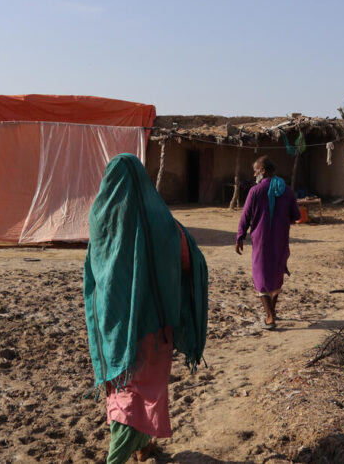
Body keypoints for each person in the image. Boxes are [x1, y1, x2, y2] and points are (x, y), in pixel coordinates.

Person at [84, 153, 208, 464]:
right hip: (151, 326)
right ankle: (118, 457)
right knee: (139, 389)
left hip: (111, 322)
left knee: (122, 384)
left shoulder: (99, 215)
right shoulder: (162, 223)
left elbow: (93, 270)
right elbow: (188, 260)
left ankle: (144, 447)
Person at [235, 155, 300, 329]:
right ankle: (272, 311)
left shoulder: (255, 191)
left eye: (255, 170)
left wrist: (240, 236)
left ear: (262, 171)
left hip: (261, 240)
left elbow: (245, 216)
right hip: (281, 239)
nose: (254, 174)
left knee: (261, 275)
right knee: (276, 273)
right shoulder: (286, 190)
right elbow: (297, 215)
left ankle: (270, 316)